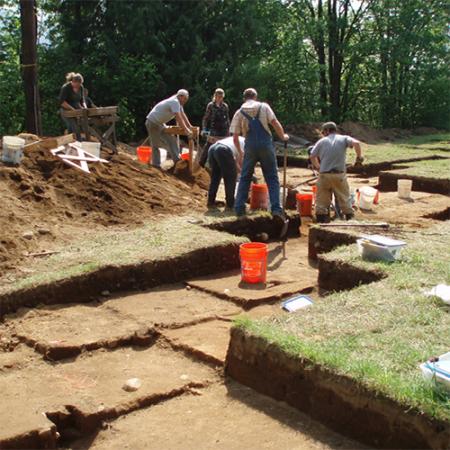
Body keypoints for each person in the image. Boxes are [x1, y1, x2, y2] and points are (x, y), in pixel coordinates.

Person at [230, 88, 289, 220]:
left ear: (244, 98)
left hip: (250, 146)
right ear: (255, 97)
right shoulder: (263, 106)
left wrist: (241, 153)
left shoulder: (239, 112)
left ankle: (239, 208)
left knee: (245, 177)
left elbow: (235, 137)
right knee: (272, 177)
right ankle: (276, 210)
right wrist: (283, 136)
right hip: (266, 145)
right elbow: (275, 123)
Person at [310, 121, 363, 223]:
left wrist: (318, 167)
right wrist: (359, 158)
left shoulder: (321, 141)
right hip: (339, 175)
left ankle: (321, 224)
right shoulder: (343, 138)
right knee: (345, 199)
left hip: (324, 175)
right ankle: (350, 220)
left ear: (326, 131)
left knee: (321, 202)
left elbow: (312, 156)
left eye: (323, 132)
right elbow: (356, 143)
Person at [145, 89, 193, 168]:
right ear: (180, 96)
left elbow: (183, 115)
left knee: (171, 139)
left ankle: (177, 161)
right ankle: (156, 165)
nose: (185, 101)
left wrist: (190, 126)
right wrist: (186, 130)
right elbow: (178, 117)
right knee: (155, 144)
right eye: (185, 99)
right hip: (152, 122)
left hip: (160, 123)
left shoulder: (179, 103)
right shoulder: (175, 102)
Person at [207, 135, 245, 210]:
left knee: (216, 176)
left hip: (212, 148)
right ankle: (231, 204)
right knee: (230, 177)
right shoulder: (248, 145)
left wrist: (239, 171)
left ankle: (210, 201)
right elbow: (241, 162)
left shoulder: (241, 140)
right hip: (223, 150)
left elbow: (236, 162)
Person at [199, 88, 230, 167]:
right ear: (215, 96)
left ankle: (223, 165)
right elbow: (206, 118)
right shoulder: (211, 105)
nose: (219, 98)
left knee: (224, 147)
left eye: (221, 97)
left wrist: (229, 130)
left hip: (223, 130)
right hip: (214, 129)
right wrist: (204, 129)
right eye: (218, 96)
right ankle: (201, 164)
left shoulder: (225, 106)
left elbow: (227, 119)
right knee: (208, 146)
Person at [59, 72, 86, 141]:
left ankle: (69, 144)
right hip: (66, 110)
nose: (78, 86)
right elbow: (62, 102)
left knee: (74, 128)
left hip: (76, 110)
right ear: (73, 82)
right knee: (74, 127)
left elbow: (82, 100)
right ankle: (79, 143)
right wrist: (72, 109)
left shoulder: (81, 87)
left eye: (80, 84)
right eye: (77, 85)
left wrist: (84, 107)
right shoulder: (65, 88)